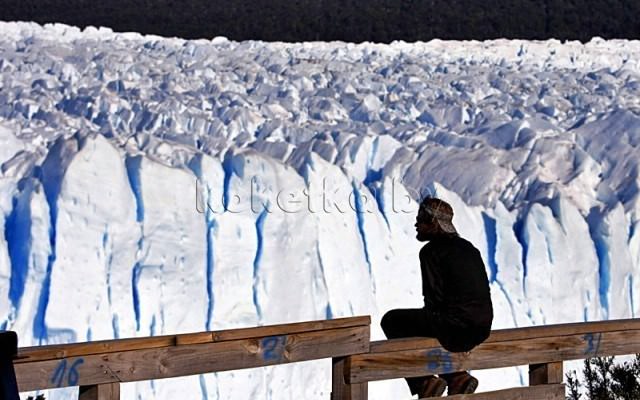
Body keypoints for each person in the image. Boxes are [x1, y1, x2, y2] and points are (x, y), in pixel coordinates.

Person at [381, 197, 493, 397]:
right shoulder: (469, 248)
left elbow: (434, 298)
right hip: (481, 328)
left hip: (456, 329)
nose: (417, 223)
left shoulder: (431, 251)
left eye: (421, 218)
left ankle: (423, 382)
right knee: (433, 322)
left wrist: (426, 321)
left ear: (434, 222)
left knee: (391, 321)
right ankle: (457, 377)